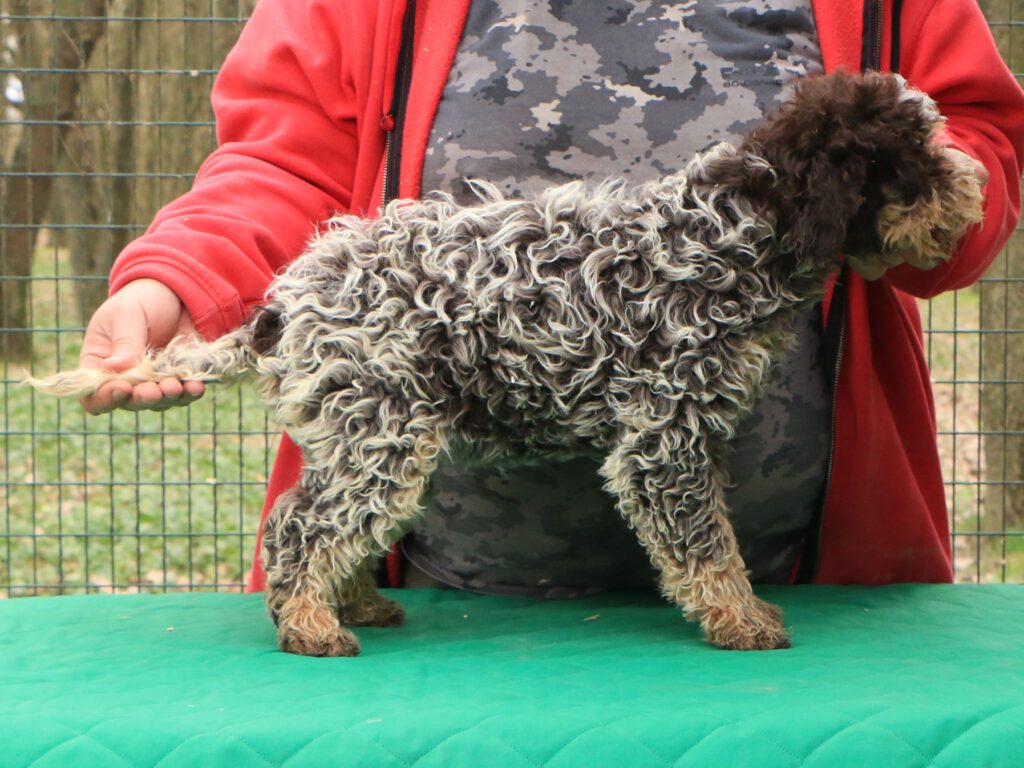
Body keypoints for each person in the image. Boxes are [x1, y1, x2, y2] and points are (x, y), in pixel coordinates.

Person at [78, 0, 1024, 596]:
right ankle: (329, 569)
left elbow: (977, 137)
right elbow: (283, 162)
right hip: (448, 594)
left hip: (809, 578)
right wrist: (178, 279)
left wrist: (921, 207)